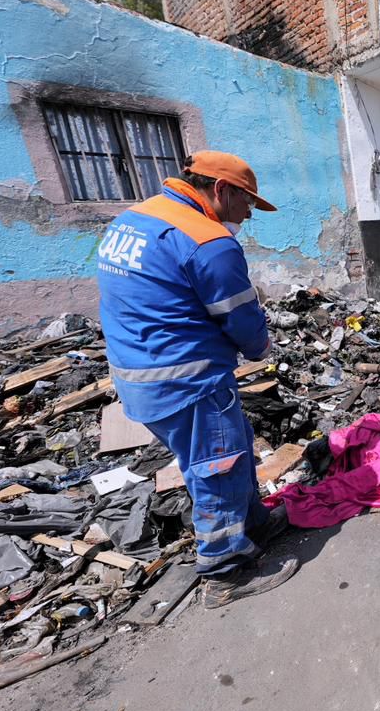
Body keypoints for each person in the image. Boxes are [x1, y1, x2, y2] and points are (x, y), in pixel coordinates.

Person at [96, 150, 297, 609]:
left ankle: (255, 525)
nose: (248, 215)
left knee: (235, 446)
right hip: (191, 383)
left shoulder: (135, 219)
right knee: (216, 470)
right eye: (247, 203)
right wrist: (262, 351)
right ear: (221, 190)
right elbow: (243, 321)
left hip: (142, 379)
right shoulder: (209, 241)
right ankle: (224, 573)